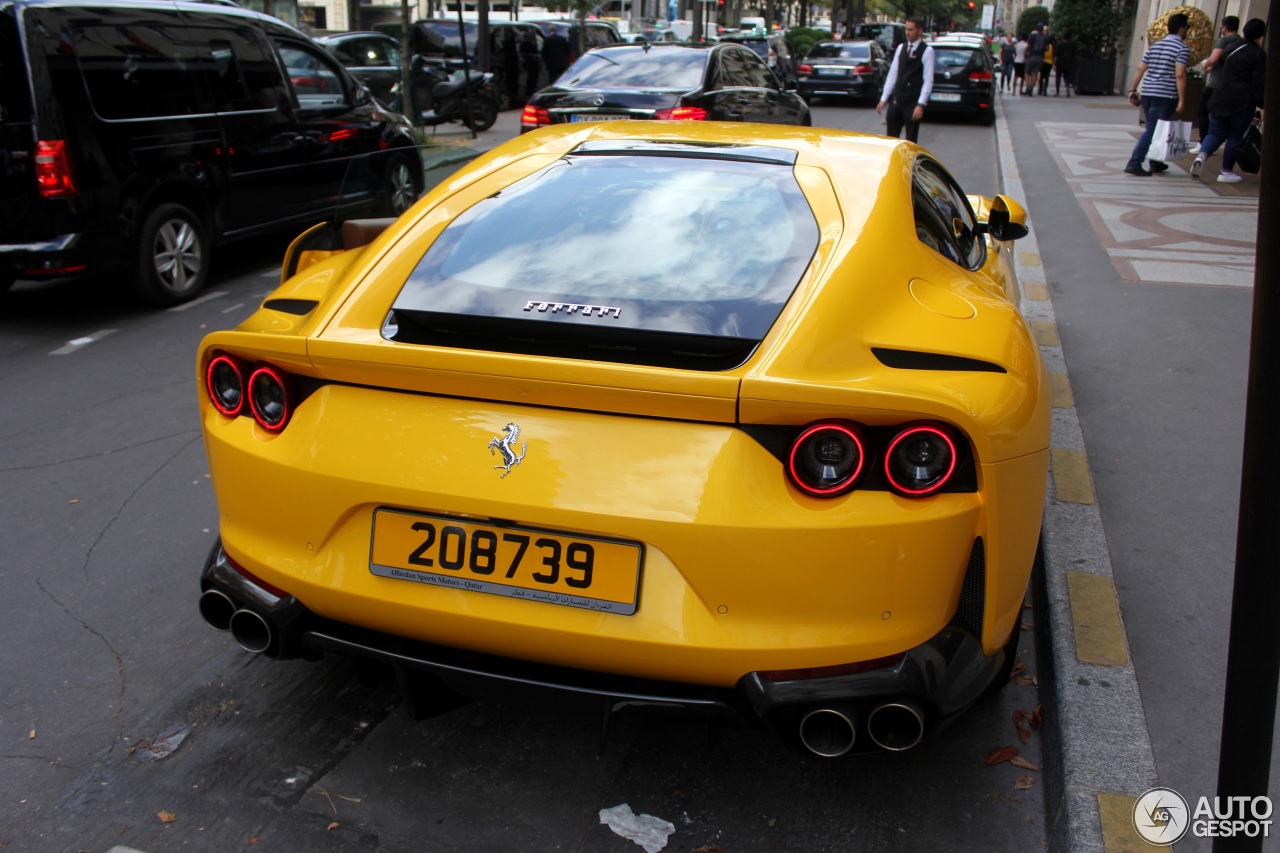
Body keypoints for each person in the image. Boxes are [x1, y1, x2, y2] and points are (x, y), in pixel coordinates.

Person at [1191, 18, 1266, 182]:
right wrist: (1262, 104)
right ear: (1261, 35)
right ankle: (1225, 172)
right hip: (1242, 101)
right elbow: (1258, 81)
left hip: (1219, 96)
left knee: (1215, 132)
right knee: (1235, 135)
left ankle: (1202, 156)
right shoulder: (1258, 54)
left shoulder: (1230, 47)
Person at [1123, 12, 1189, 176]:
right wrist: (1182, 99)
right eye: (1187, 27)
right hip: (1166, 95)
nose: (1187, 30)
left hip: (1148, 93)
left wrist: (1132, 90)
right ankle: (1134, 162)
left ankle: (1156, 161)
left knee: (1158, 128)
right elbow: (1180, 74)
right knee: (1153, 129)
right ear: (1181, 29)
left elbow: (1140, 69)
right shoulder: (1182, 48)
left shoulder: (1156, 46)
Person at [876, 17, 935, 143]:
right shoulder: (901, 48)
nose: (907, 32)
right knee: (891, 138)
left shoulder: (927, 51)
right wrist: (884, 99)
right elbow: (893, 74)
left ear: (919, 30)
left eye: (911, 30)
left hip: (912, 101)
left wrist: (921, 104)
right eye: (906, 29)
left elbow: (928, 80)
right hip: (898, 99)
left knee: (911, 140)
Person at [1191, 16, 1243, 154]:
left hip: (1214, 84)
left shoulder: (1224, 40)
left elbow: (1214, 58)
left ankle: (1204, 143)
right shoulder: (1241, 42)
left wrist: (1205, 64)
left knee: (1202, 112)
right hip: (1231, 86)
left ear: (1224, 27)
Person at [1024, 23, 1046, 96]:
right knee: (1035, 73)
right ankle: (1032, 88)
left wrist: (1026, 53)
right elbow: (1046, 48)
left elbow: (1029, 45)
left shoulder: (1033, 36)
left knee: (1027, 72)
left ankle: (1028, 86)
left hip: (1032, 56)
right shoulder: (1045, 37)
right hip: (1040, 57)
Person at [1037, 27, 1054, 95]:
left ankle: (1040, 89)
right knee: (1046, 76)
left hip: (1043, 61)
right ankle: (1045, 90)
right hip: (1049, 62)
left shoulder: (1043, 44)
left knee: (1041, 76)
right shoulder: (1051, 46)